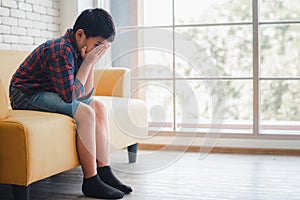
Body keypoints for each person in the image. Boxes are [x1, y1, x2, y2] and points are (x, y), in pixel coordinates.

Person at [9, 8, 132, 199]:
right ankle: (91, 180)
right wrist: (88, 62)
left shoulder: (78, 46)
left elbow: (87, 95)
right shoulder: (61, 50)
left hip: (49, 91)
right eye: (97, 44)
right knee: (86, 113)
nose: (99, 50)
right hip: (25, 94)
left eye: (103, 47)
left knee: (98, 107)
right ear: (80, 34)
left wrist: (89, 63)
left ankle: (104, 170)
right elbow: (70, 96)